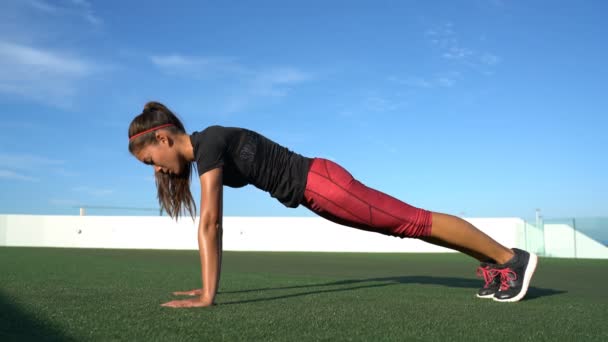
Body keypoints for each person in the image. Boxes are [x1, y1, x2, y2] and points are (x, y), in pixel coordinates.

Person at [128, 101, 537, 308]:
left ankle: (510, 257)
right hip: (319, 192)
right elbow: (211, 223)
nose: (158, 171)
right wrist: (207, 285)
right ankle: (500, 263)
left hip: (323, 185)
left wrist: (207, 297)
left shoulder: (210, 143)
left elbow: (211, 223)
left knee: (412, 221)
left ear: (162, 139)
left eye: (151, 162)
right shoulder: (206, 148)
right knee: (408, 225)